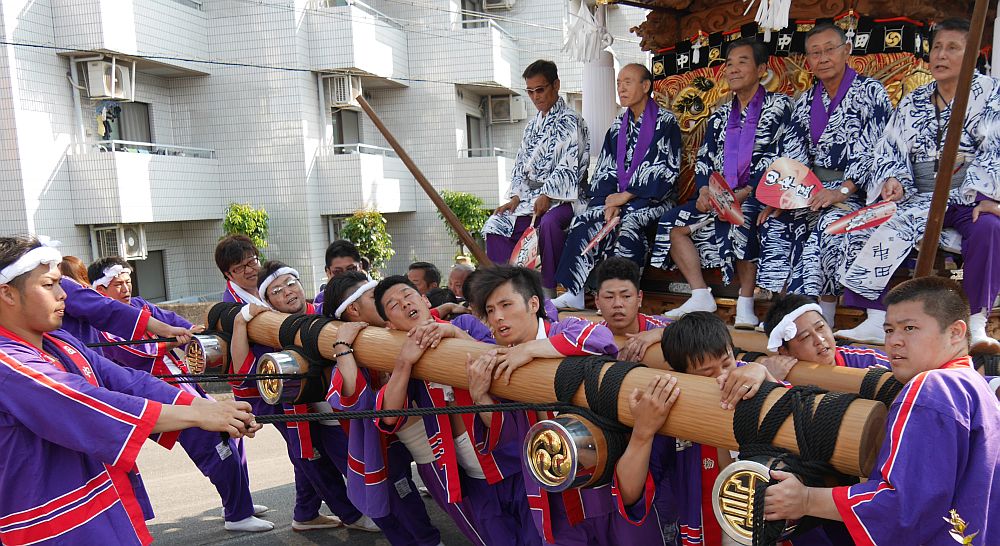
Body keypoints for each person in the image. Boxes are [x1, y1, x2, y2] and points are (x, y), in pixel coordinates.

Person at [0, 235, 261, 545]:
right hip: (51, 526)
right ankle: (238, 512)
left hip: (96, 505)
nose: (63, 294)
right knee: (215, 449)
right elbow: (86, 403)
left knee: (226, 441)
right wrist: (197, 412)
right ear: (7, 293)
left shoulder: (59, 342)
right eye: (49, 285)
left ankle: (241, 507)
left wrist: (201, 406)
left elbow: (126, 380)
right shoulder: (7, 362)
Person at [763, 276, 999, 545]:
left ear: (955, 332)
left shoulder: (932, 387)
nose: (894, 341)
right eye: (888, 330)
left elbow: (901, 506)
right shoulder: (976, 386)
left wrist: (806, 499)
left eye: (909, 328)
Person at [465, 265, 663, 545]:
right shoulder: (504, 362)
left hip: (611, 481)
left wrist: (529, 350)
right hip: (556, 492)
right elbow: (510, 433)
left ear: (534, 304)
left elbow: (600, 338)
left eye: (506, 305)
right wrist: (481, 399)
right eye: (490, 310)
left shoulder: (565, 328)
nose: (498, 317)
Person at [611, 312, 843, 546]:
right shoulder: (671, 403)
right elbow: (630, 495)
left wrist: (764, 375)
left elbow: (808, 429)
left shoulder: (756, 380)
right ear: (681, 374)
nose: (723, 378)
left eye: (726, 363)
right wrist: (643, 432)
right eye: (707, 373)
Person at [837, 18, 1000, 348]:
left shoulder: (992, 94)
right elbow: (890, 147)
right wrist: (894, 179)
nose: (941, 55)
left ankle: (975, 321)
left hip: (967, 193)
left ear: (972, 54)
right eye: (937, 47)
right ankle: (876, 318)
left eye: (952, 48)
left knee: (990, 227)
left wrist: (987, 194)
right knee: (865, 222)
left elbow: (996, 149)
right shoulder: (914, 100)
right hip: (918, 196)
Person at [88, 257, 272, 532]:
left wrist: (191, 333)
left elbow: (174, 322)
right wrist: (172, 339)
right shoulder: (101, 324)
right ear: (100, 290)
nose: (126, 289)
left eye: (127, 282)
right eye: (118, 284)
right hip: (159, 396)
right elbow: (135, 353)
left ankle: (238, 502)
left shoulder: (139, 306)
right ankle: (237, 514)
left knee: (233, 431)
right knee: (213, 442)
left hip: (183, 384)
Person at [372, 275, 536, 545]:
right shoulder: (403, 353)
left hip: (513, 460)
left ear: (425, 300)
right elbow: (389, 417)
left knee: (539, 536)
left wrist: (457, 336)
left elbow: (501, 357)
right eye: (393, 305)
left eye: (408, 295)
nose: (404, 304)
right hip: (472, 476)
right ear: (390, 325)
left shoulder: (464, 324)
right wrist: (404, 363)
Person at [214, 237, 360, 533]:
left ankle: (306, 512)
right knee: (306, 450)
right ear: (228, 274)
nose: (249, 269)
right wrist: (241, 322)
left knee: (309, 448)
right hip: (269, 391)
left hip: (305, 386)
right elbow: (241, 368)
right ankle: (348, 513)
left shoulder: (299, 300)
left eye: (252, 261)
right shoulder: (231, 307)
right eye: (240, 267)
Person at [650, 37, 794, 327]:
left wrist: (747, 191)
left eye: (743, 62)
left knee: (744, 217)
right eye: (729, 64)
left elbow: (781, 156)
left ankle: (746, 302)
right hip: (719, 196)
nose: (733, 69)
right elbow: (704, 158)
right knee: (672, 223)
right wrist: (704, 189)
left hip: (759, 194)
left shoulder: (780, 107)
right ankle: (700, 293)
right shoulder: (720, 115)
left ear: (761, 69)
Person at [757, 23, 893, 324]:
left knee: (828, 225)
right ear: (808, 60)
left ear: (847, 50)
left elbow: (874, 149)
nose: (823, 58)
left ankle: (818, 314)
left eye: (830, 49)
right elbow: (794, 152)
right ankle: (787, 307)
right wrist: (783, 197)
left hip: (857, 192)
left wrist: (842, 190)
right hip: (812, 190)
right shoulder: (805, 100)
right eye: (815, 53)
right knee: (776, 223)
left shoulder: (871, 92)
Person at [551, 63, 681, 310]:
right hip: (617, 199)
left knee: (627, 222)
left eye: (627, 82)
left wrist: (626, 197)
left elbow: (664, 170)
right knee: (585, 218)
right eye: (619, 83)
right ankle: (574, 291)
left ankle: (622, 299)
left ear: (645, 86)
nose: (621, 88)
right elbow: (605, 169)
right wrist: (608, 201)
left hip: (654, 199)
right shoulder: (617, 125)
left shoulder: (665, 122)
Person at [483, 60, 590, 297]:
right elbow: (521, 164)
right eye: (530, 91)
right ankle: (508, 287)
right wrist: (515, 196)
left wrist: (548, 194)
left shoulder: (572, 120)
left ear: (556, 85)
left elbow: (570, 164)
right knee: (496, 224)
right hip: (529, 197)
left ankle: (549, 289)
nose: (535, 97)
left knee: (549, 223)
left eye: (540, 90)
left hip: (566, 197)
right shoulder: (532, 126)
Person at [759, 293, 890, 380]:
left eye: (820, 327)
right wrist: (771, 381)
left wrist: (889, 380)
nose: (819, 340)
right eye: (805, 337)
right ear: (784, 351)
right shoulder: (778, 375)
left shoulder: (869, 359)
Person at [589, 257, 672, 362]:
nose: (617, 304)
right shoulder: (591, 334)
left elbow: (691, 334)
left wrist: (661, 333)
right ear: (597, 301)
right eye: (609, 297)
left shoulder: (661, 327)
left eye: (626, 296)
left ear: (639, 298)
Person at [315, 240, 365, 306]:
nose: (345, 276)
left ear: (360, 267)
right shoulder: (321, 301)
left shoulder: (373, 296)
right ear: (328, 272)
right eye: (338, 272)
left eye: (351, 269)